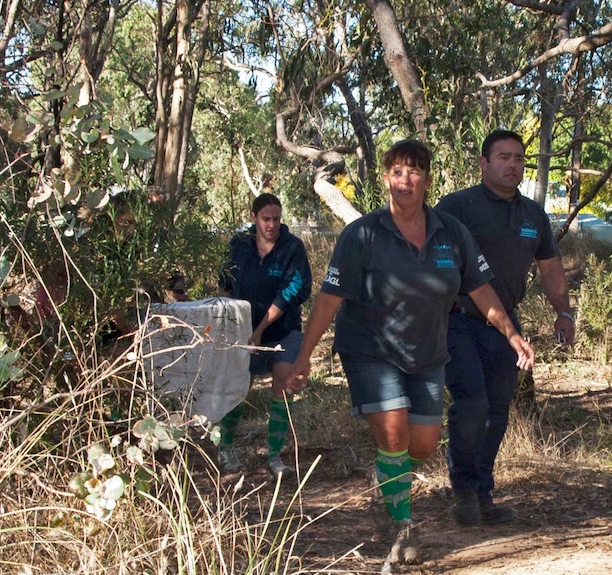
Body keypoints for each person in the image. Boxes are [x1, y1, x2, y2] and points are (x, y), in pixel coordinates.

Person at [287, 140, 535, 567]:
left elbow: (480, 288)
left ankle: (385, 480)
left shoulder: (450, 232)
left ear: (426, 179)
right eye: (398, 172)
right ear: (386, 178)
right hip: (370, 350)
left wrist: (511, 333)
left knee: (422, 443)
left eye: (415, 172)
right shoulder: (362, 233)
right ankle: (403, 529)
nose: (406, 180)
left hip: (427, 353)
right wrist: (304, 355)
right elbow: (329, 298)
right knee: (396, 433)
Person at [435, 130, 575, 526]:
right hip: (456, 320)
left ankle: (482, 494)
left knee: (497, 412)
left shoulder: (533, 215)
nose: (512, 165)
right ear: (483, 163)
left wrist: (564, 312)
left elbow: (550, 267)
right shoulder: (456, 206)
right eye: (503, 157)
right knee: (472, 404)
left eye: (518, 158)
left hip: (505, 325)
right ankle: (463, 491)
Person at [217, 192, 313, 479]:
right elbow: (225, 284)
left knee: (283, 386)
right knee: (237, 389)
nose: (271, 225)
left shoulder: (292, 247)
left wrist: (259, 331)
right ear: (254, 218)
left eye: (276, 219)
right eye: (265, 219)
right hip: (242, 330)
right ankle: (226, 447)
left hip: (281, 330)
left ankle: (275, 456)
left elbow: (291, 292)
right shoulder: (239, 245)